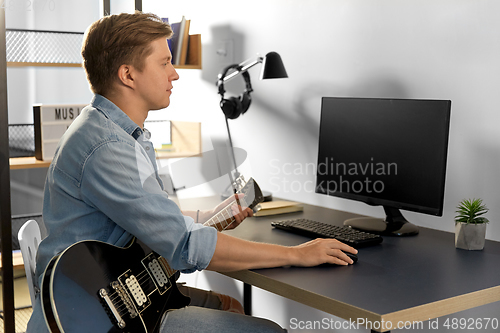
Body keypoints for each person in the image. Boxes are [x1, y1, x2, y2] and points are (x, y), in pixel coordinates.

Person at [26, 12, 357, 333]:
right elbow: (187, 246)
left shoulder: (111, 129)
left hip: (115, 289)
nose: (175, 74)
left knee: (230, 306)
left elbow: (147, 212)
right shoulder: (108, 147)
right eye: (164, 62)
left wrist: (207, 215)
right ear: (128, 75)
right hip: (98, 312)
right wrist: (296, 254)